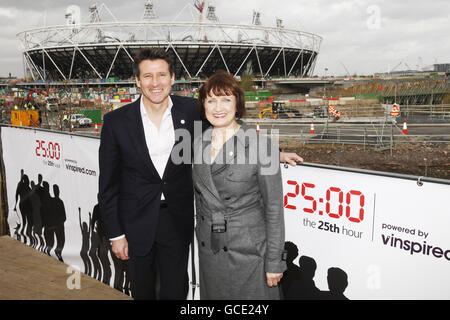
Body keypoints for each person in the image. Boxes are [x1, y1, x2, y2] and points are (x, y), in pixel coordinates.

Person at [98, 48, 302, 300]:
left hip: (178, 221)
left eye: (162, 75)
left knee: (176, 291)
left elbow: (232, 125)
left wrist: (271, 152)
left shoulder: (190, 111)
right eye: (147, 76)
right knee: (142, 292)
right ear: (137, 81)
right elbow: (107, 185)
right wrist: (116, 234)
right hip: (137, 223)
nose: (155, 83)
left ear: (173, 78)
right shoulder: (117, 121)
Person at [192, 71, 286, 299]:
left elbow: (274, 208)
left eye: (226, 99)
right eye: (211, 100)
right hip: (210, 250)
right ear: (203, 105)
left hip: (249, 252)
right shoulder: (196, 143)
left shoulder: (262, 146)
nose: (218, 107)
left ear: (237, 104)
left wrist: (275, 261)